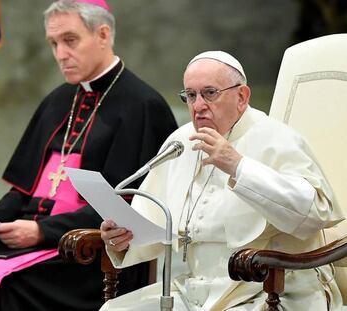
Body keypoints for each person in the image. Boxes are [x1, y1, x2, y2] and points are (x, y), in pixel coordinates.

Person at [0, 1, 177, 310]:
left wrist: (41, 231)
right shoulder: (58, 100)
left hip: (89, 255)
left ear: (102, 35)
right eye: (53, 43)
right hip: (27, 244)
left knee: (7, 284)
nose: (60, 54)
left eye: (70, 40)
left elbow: (128, 208)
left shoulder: (143, 106)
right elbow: (21, 193)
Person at [100, 50, 345, 310]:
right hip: (192, 292)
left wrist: (238, 166)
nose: (198, 105)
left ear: (242, 96)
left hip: (269, 291)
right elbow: (150, 223)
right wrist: (121, 238)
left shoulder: (278, 139)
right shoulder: (180, 142)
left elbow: (314, 212)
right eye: (191, 95)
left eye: (210, 93)